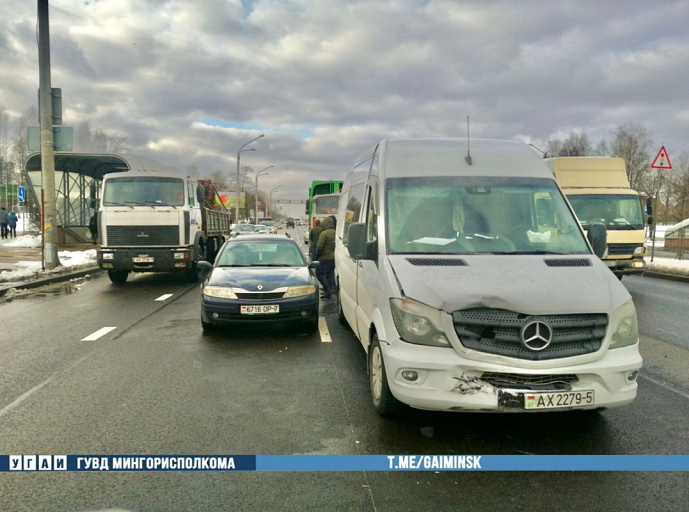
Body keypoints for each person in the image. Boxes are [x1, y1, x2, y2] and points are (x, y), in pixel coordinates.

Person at [315, 216, 337, 299]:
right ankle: (333, 288)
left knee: (319, 273)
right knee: (330, 274)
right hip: (333, 257)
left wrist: (317, 256)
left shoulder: (324, 233)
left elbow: (319, 247)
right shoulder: (335, 232)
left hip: (325, 257)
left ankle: (327, 290)